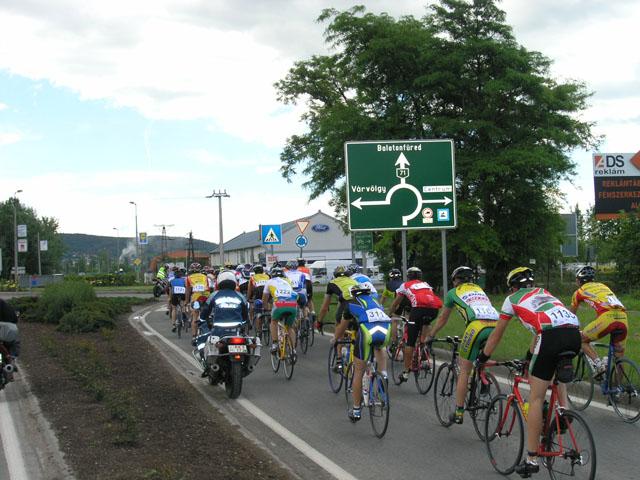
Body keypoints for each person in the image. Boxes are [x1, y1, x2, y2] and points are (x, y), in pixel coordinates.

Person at [477, 267, 581, 477]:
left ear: (512, 287)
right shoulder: (544, 293)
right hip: (574, 333)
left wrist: (483, 357)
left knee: (536, 397)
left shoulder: (512, 299)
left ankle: (531, 459)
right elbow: (539, 329)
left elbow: (497, 334)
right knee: (555, 375)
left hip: (550, 338)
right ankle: (563, 411)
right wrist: (528, 355)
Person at [428, 266, 499, 424]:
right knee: (482, 358)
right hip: (496, 326)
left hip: (476, 327)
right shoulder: (479, 289)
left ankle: (459, 412)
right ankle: (484, 380)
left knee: (464, 370)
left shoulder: (453, 293)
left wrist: (431, 335)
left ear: (455, 280)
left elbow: (443, 318)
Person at [569, 265, 628, 377]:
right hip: (623, 317)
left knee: (581, 340)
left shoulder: (579, 291)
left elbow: (570, 316)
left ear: (579, 280)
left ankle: (598, 364)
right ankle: (619, 386)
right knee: (619, 356)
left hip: (607, 318)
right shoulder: (603, 286)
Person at [388, 267, 443, 384]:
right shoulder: (426, 285)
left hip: (418, 309)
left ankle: (406, 372)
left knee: (410, 342)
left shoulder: (405, 285)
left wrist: (389, 314)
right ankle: (423, 346)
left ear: (408, 277)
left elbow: (396, 303)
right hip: (434, 310)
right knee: (426, 323)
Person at [345, 288, 391, 422]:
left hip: (367, 331)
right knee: (380, 349)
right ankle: (383, 378)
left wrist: (337, 338)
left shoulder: (352, 302)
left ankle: (356, 410)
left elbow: (343, 324)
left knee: (359, 370)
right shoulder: (376, 302)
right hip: (385, 330)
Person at [198, 270, 249, 377]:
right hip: (236, 331)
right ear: (234, 282)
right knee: (248, 342)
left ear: (219, 282)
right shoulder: (240, 296)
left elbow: (205, 311)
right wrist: (244, 323)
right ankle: (246, 365)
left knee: (202, 340)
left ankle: (206, 364)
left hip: (218, 331)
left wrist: (202, 320)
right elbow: (245, 315)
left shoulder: (214, 295)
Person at [262, 267, 298, 354]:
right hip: (293, 304)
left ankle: (275, 343)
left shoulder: (269, 282)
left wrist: (265, 308)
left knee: (273, 322)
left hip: (279, 304)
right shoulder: (288, 281)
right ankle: (293, 350)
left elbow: (264, 298)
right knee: (289, 327)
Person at [316, 265, 359, 336]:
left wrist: (319, 321)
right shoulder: (354, 281)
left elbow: (324, 308)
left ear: (335, 275)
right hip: (360, 302)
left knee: (339, 324)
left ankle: (337, 341)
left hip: (347, 302)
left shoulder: (332, 283)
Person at [185, 262, 210, 338]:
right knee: (207, 314)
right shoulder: (205, 276)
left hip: (196, 298)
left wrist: (186, 302)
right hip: (206, 296)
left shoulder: (188, 278)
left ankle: (194, 336)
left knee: (195, 316)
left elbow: (188, 291)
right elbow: (208, 288)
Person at [247, 264, 270, 329]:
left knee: (255, 308)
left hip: (258, 290)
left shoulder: (252, 277)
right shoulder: (267, 276)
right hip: (267, 290)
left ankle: (256, 327)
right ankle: (269, 316)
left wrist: (248, 298)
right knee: (267, 303)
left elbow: (250, 289)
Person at [169, 267, 187, 332]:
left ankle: (173, 324)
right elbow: (186, 289)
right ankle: (183, 312)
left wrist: (170, 298)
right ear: (181, 275)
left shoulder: (171, 281)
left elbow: (170, 291)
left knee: (174, 308)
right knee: (183, 305)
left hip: (174, 295)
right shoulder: (184, 280)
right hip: (182, 294)